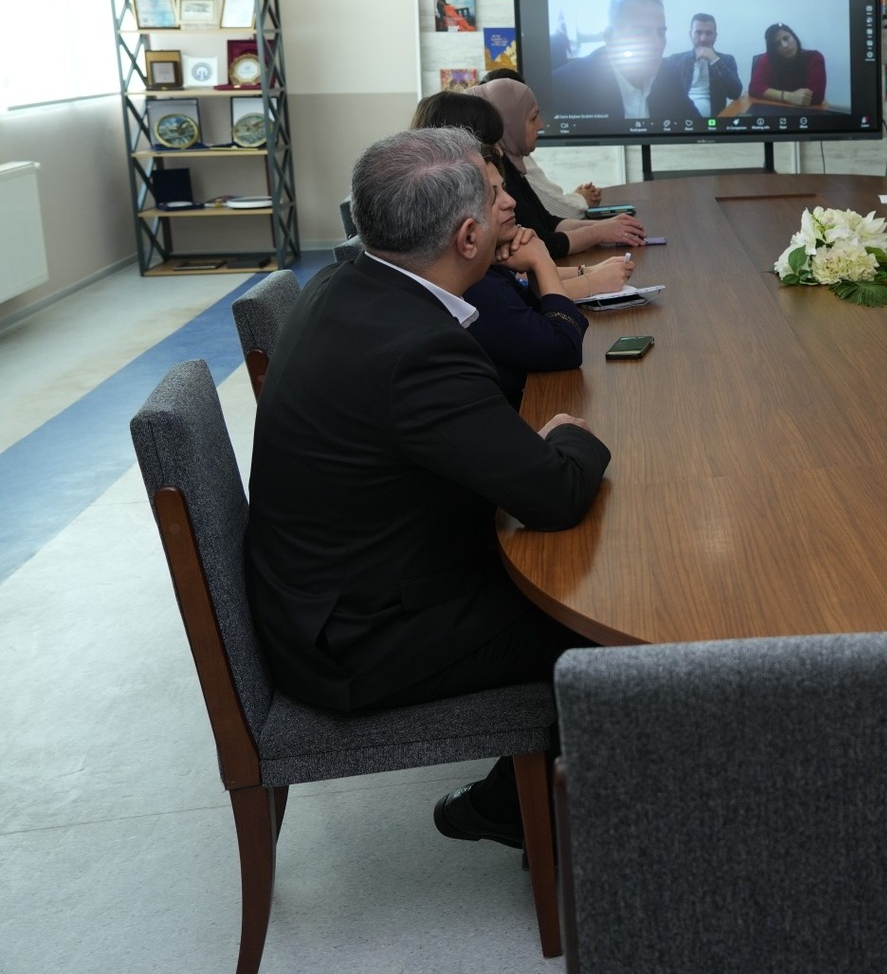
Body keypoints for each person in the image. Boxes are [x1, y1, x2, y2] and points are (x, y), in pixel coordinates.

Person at [245, 127, 614, 848]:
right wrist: (571, 433)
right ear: (469, 235)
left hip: (325, 592)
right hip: (364, 638)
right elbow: (558, 493)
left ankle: (524, 793)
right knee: (604, 615)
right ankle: (537, 815)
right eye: (499, 193)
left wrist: (518, 451)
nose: (515, 203)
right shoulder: (420, 348)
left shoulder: (347, 283)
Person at [412, 89, 636, 299]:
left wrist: (584, 270)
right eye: (489, 143)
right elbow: (532, 312)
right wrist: (589, 280)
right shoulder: (465, 266)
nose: (509, 201)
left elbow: (520, 281)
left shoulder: (501, 171)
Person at [468, 78, 648, 262]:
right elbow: (545, 243)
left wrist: (607, 226)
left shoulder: (510, 162)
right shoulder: (495, 169)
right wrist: (599, 233)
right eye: (533, 118)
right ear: (509, 124)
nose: (541, 125)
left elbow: (548, 222)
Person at [466, 156, 589, 407]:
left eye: (505, 189)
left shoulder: (491, 267)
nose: (510, 202)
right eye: (492, 195)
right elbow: (566, 347)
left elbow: (541, 321)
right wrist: (541, 261)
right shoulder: (478, 285)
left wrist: (535, 271)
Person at [547, 0, 699, 126]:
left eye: (661, 32)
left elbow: (695, 127)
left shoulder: (668, 73)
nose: (657, 44)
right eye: (641, 32)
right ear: (610, 37)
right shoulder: (567, 85)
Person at [478, 67, 602, 218]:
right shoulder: (499, 159)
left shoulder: (510, 153)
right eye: (532, 117)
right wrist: (582, 199)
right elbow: (558, 212)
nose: (541, 125)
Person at [679, 13, 745, 118]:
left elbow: (735, 93)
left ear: (715, 36)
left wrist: (714, 60)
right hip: (682, 123)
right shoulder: (676, 60)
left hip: (714, 124)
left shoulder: (726, 60)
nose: (703, 38)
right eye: (698, 32)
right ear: (690, 34)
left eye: (708, 33)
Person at [748, 23, 828, 106]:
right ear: (774, 50)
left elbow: (817, 96)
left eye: (786, 38)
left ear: (794, 36)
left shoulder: (814, 58)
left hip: (806, 110)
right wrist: (788, 96)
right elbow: (754, 88)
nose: (785, 45)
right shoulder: (768, 59)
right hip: (775, 108)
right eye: (778, 44)